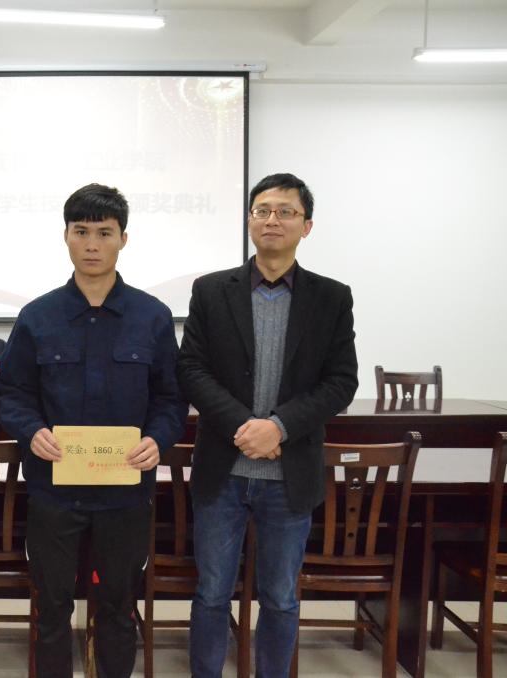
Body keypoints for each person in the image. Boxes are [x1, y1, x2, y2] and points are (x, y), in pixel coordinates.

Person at [0, 183, 188, 677]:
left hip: (124, 494)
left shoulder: (152, 316)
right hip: (54, 493)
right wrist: (31, 430)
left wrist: (157, 439)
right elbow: (12, 393)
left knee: (118, 609)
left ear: (124, 238)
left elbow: (171, 398)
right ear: (66, 236)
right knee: (52, 609)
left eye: (104, 233)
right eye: (81, 232)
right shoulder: (38, 317)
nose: (92, 244)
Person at [178, 173, 358, 678]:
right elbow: (191, 369)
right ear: (249, 220)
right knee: (212, 593)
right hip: (222, 471)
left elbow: (341, 381)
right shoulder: (211, 290)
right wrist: (246, 426)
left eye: (286, 211)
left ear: (307, 225)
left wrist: (278, 427)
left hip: (290, 474)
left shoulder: (331, 297)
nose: (272, 220)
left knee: (280, 597)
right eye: (262, 210)